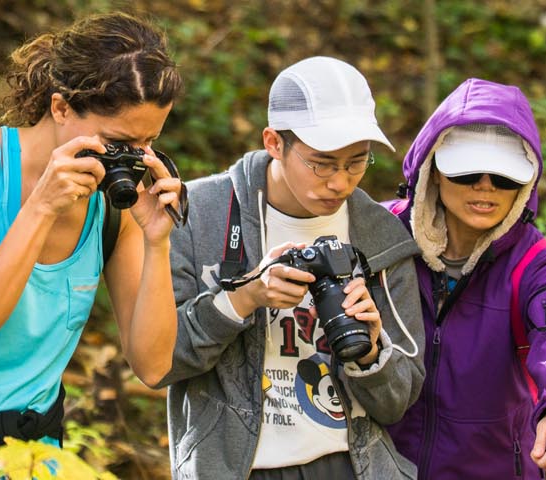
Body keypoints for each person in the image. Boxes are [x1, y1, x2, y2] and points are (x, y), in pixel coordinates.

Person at [0, 12, 185, 478]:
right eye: (117, 141)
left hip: (35, 457)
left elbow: (152, 366)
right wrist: (41, 209)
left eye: (147, 143)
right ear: (61, 107)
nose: (128, 160)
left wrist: (157, 242)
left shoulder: (112, 210)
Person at [159, 56, 425, 480]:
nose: (340, 182)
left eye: (357, 162)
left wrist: (373, 353)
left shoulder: (380, 235)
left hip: (351, 466)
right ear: (274, 142)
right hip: (235, 468)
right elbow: (161, 359)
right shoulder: (199, 214)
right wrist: (242, 299)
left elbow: (397, 402)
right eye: (321, 163)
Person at [380, 79, 546, 479]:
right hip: (382, 465)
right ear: (434, 171)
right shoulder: (379, 233)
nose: (485, 187)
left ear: (524, 186)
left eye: (504, 177)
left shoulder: (539, 266)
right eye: (468, 171)